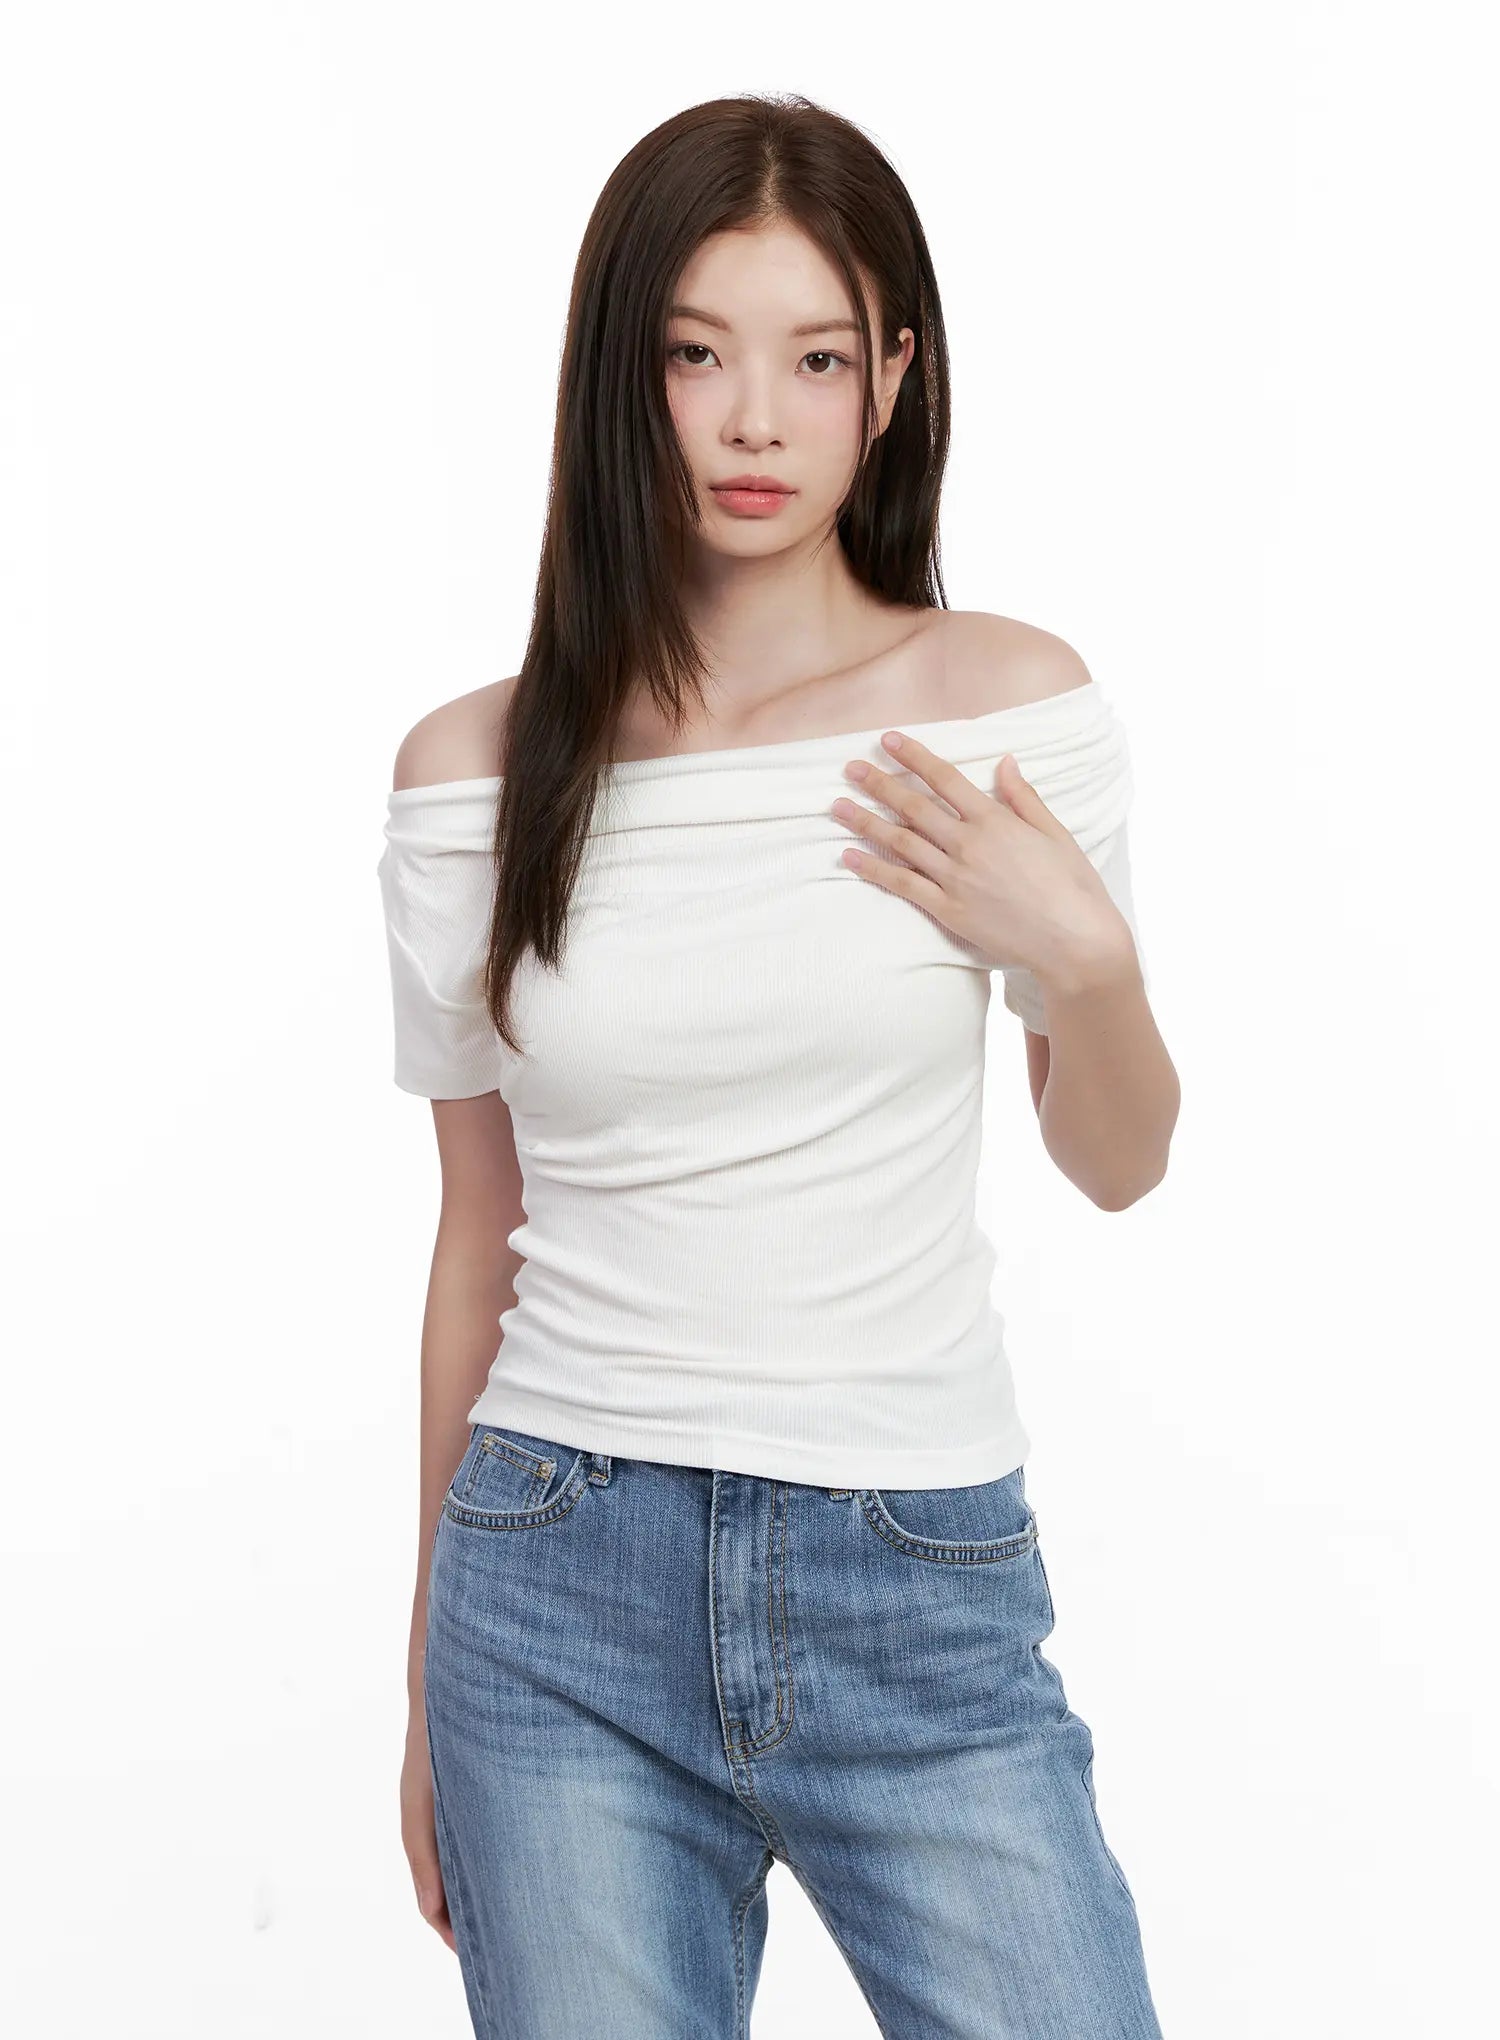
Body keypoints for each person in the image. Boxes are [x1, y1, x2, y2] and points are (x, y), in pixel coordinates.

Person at [376, 91, 1179, 2040]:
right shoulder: (475, 777)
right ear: (622, 374)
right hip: (553, 1589)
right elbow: (478, 1238)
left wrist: (1086, 958)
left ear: (895, 379)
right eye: (697, 356)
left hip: (915, 1568)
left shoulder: (1002, 709)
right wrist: (421, 1695)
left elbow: (1120, 1159)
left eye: (816, 360)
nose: (755, 421)